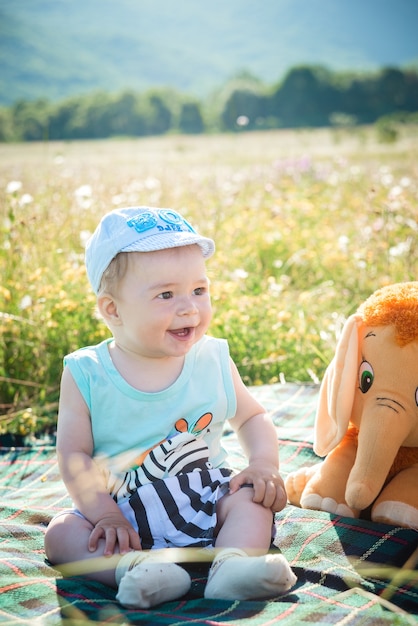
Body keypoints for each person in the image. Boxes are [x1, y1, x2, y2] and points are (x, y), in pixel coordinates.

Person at [44, 206, 296, 608]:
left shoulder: (211, 358)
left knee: (250, 499)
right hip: (122, 514)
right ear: (113, 309)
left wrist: (264, 463)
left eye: (199, 290)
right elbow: (73, 454)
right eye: (166, 294)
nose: (189, 308)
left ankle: (232, 566)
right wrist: (105, 515)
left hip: (206, 498)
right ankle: (137, 570)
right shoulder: (87, 372)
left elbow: (252, 416)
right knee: (60, 535)